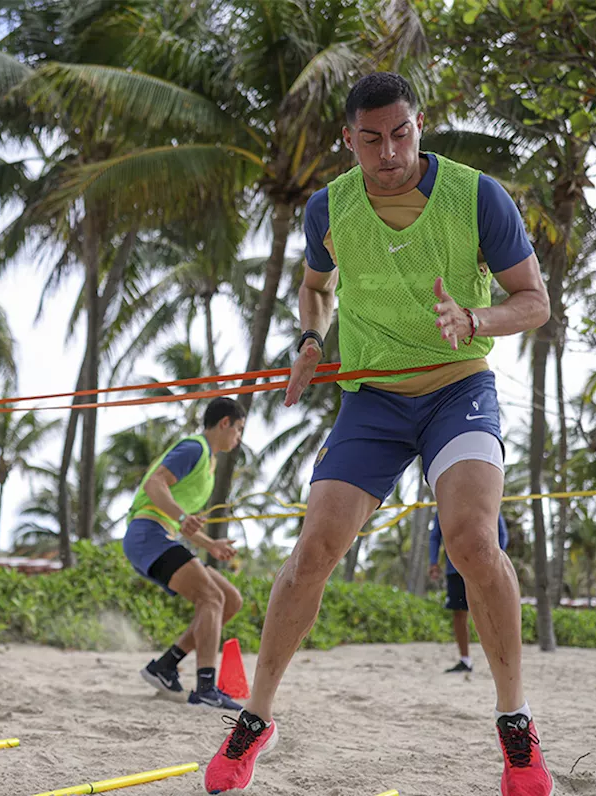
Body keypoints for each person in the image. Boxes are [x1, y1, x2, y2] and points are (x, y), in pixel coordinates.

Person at [205, 72, 553, 796]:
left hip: (459, 388)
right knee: (312, 552)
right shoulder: (329, 207)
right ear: (349, 140)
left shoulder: (478, 195)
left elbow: (534, 302)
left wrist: (475, 319)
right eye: (372, 139)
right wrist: (308, 341)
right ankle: (255, 719)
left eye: (401, 134)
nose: (389, 151)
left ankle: (515, 724)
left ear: (419, 125)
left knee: (472, 541)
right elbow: (316, 287)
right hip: (371, 401)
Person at [123, 397, 248, 710]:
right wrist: (181, 518)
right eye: (239, 429)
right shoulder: (195, 449)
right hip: (147, 534)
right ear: (225, 423)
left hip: (160, 534)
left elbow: (184, 523)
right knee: (212, 598)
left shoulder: (210, 462)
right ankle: (205, 688)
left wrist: (211, 545)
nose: (239, 438)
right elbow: (154, 485)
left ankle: (165, 666)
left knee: (229, 599)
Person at [430, 512, 510, 673]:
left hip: (483, 567)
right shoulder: (444, 504)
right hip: (455, 568)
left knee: (491, 613)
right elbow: (435, 537)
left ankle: (501, 661)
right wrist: (433, 562)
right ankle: (465, 660)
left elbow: (501, 533)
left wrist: (494, 560)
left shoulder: (483, 497)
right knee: (459, 613)